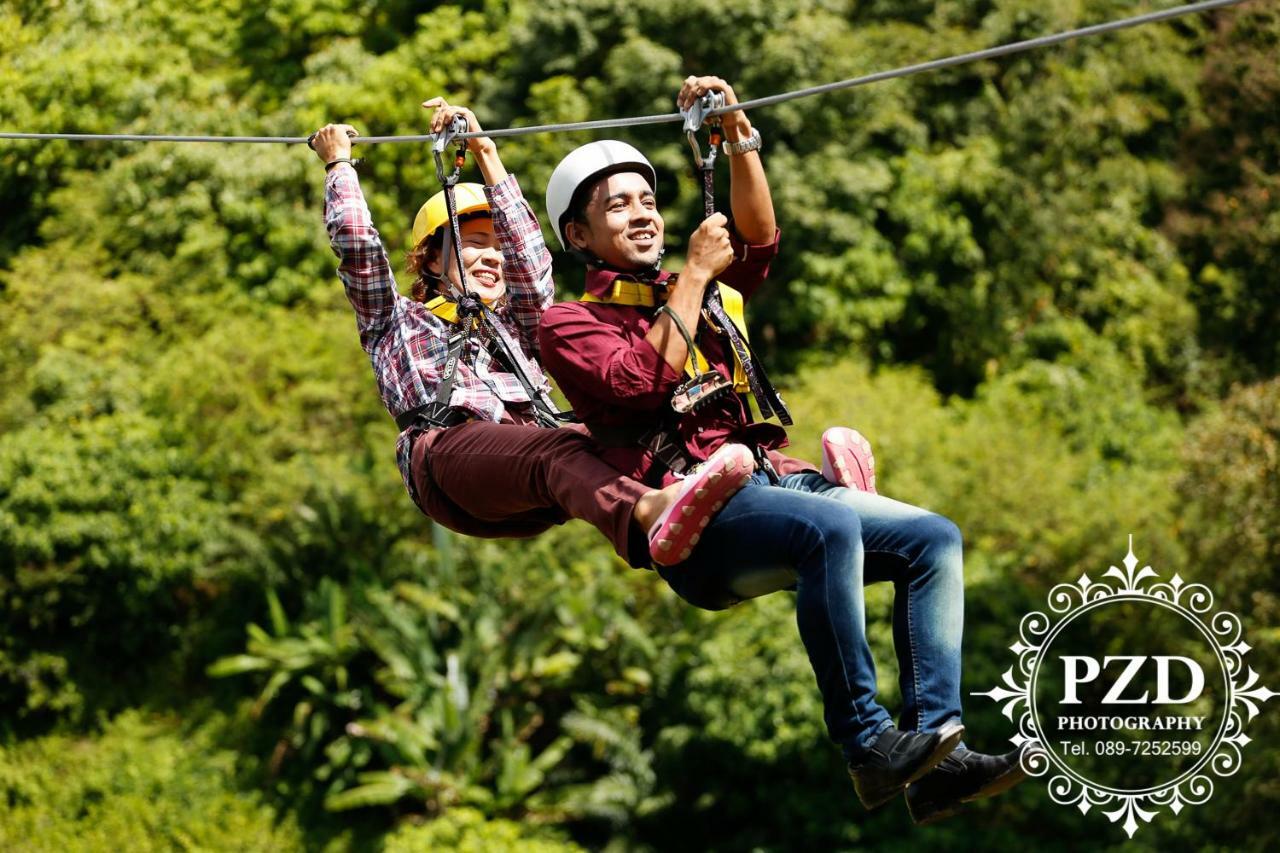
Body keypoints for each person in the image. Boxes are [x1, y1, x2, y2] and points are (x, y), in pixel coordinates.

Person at [537, 75, 1030, 824]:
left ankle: (938, 753)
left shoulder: (690, 287)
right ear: (578, 236)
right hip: (698, 517)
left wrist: (738, 134)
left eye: (646, 200)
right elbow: (640, 383)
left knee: (934, 538)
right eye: (616, 206)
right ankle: (867, 745)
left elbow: (759, 240)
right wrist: (697, 272)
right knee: (826, 529)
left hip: (773, 480)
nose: (641, 215)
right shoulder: (569, 323)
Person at [312, 101, 755, 571]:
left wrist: (485, 150)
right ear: (434, 261)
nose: (493, 257)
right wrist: (339, 164)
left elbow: (531, 260)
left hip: (530, 476)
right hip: (444, 460)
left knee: (632, 437)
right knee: (560, 448)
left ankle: (752, 500)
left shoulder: (516, 327)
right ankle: (646, 511)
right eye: (476, 244)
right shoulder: (395, 322)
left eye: (496, 247)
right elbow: (358, 248)